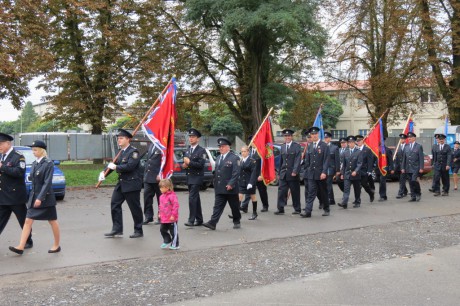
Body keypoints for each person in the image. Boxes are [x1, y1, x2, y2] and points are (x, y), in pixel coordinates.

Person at [9, 140, 60, 255]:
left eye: (35, 150)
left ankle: (56, 245)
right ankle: (21, 246)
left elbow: (47, 183)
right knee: (27, 221)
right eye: (32, 150)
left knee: (52, 221)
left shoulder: (48, 163)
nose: (33, 152)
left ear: (42, 151)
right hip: (34, 197)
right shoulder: (35, 163)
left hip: (45, 198)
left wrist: (40, 198)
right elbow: (33, 180)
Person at [99, 129, 144, 238]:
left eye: (121, 138)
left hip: (132, 184)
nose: (119, 140)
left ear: (128, 139)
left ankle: (138, 230)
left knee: (135, 208)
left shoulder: (134, 152)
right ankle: (117, 229)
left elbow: (130, 166)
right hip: (122, 183)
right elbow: (112, 165)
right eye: (118, 138)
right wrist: (104, 173)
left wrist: (116, 167)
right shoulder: (121, 152)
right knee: (115, 204)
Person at [0, 133, 33, 250]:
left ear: (8, 143)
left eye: (1, 144)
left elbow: (19, 172)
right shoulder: (1, 156)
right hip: (3, 196)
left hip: (15, 196)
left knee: (23, 220)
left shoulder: (18, 156)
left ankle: (28, 241)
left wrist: (2, 167)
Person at [203, 138, 241, 230]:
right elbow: (217, 172)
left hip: (230, 188)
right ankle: (213, 222)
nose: (221, 148)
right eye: (220, 147)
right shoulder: (219, 157)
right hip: (220, 187)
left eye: (223, 146)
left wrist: (231, 184)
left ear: (228, 147)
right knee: (217, 206)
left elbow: (236, 172)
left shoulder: (234, 158)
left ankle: (236, 220)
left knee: (234, 206)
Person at [301, 127, 330, 218]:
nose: (314, 135)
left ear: (318, 134)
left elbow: (326, 160)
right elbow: (307, 161)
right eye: (312, 134)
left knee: (323, 192)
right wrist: (307, 170)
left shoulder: (324, 145)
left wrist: (324, 172)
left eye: (315, 134)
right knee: (311, 192)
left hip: (320, 173)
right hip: (311, 174)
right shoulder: (309, 146)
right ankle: (308, 211)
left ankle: (326, 209)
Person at [182, 128, 207, 227]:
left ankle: (191, 220)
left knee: (192, 198)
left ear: (198, 139)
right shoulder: (188, 150)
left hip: (197, 177)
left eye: (193, 137)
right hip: (189, 177)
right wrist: (184, 165)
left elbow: (201, 164)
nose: (191, 139)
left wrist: (189, 163)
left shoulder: (201, 151)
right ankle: (199, 219)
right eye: (190, 137)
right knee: (195, 198)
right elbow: (185, 164)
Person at [275, 129, 302, 215]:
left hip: (292, 173)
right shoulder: (282, 146)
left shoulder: (296, 146)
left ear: (291, 137)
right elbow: (282, 161)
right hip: (283, 173)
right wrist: (279, 173)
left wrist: (295, 171)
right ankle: (280, 208)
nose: (287, 137)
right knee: (281, 191)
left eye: (289, 136)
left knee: (295, 192)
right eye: (286, 136)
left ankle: (297, 209)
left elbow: (298, 159)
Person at [240, 135, 270, 213]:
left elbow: (264, 164)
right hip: (250, 176)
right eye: (251, 141)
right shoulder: (248, 151)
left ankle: (265, 205)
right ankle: (244, 206)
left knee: (262, 191)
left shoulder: (261, 151)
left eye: (254, 141)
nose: (252, 143)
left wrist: (261, 174)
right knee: (248, 191)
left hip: (259, 175)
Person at [338, 136, 363, 209]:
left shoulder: (358, 152)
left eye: (352, 142)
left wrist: (356, 171)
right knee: (346, 189)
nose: (350, 144)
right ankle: (344, 203)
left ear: (354, 143)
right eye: (349, 142)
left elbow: (359, 163)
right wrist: (342, 173)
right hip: (347, 174)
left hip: (355, 174)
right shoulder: (345, 152)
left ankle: (357, 201)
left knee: (357, 189)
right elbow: (343, 164)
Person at [142, 139, 162, 225]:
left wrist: (161, 173)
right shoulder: (151, 145)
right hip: (148, 177)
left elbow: (165, 161)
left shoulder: (162, 146)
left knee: (161, 199)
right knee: (147, 197)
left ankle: (161, 216)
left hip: (158, 177)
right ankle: (148, 216)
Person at [401, 132, 424, 202]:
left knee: (414, 180)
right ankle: (413, 196)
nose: (409, 139)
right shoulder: (406, 146)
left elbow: (421, 158)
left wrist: (421, 168)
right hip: (408, 168)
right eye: (408, 137)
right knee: (410, 182)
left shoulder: (418, 146)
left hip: (416, 167)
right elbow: (404, 158)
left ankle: (418, 193)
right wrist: (403, 168)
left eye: (410, 137)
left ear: (414, 138)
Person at [237, 146, 258, 220]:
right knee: (239, 197)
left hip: (250, 182)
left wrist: (251, 183)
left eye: (244, 151)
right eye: (242, 151)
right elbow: (239, 170)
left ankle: (254, 213)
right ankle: (236, 214)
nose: (243, 153)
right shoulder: (240, 160)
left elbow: (253, 172)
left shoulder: (252, 161)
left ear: (248, 152)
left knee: (253, 197)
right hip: (242, 182)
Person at [158, 179, 179, 250]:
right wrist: (159, 214)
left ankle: (175, 244)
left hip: (171, 218)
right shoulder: (161, 196)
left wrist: (173, 215)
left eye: (162, 187)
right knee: (162, 230)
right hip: (164, 218)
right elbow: (160, 206)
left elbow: (175, 206)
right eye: (160, 187)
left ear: (167, 187)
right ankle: (167, 240)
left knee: (173, 232)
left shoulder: (172, 196)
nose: (160, 189)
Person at [355, 135, 375, 203]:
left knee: (364, 184)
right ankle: (357, 199)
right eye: (357, 141)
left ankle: (370, 193)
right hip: (357, 171)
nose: (358, 142)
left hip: (364, 170)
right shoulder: (355, 149)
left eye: (360, 140)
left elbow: (370, 161)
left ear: (362, 141)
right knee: (357, 186)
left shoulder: (367, 150)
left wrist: (369, 170)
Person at [324, 132, 340, 205]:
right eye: (325, 138)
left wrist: (337, 170)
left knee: (328, 184)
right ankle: (332, 199)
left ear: (330, 138)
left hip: (331, 168)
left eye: (327, 138)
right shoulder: (322, 146)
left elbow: (337, 159)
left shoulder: (334, 147)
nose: (326, 139)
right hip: (323, 168)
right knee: (327, 184)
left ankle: (327, 200)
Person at [394, 134, 409, 198]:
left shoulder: (408, 146)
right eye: (401, 139)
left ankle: (400, 193)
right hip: (398, 167)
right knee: (400, 180)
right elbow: (396, 157)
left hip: (405, 167)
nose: (402, 140)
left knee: (402, 180)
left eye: (403, 139)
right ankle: (405, 191)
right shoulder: (398, 147)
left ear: (405, 139)